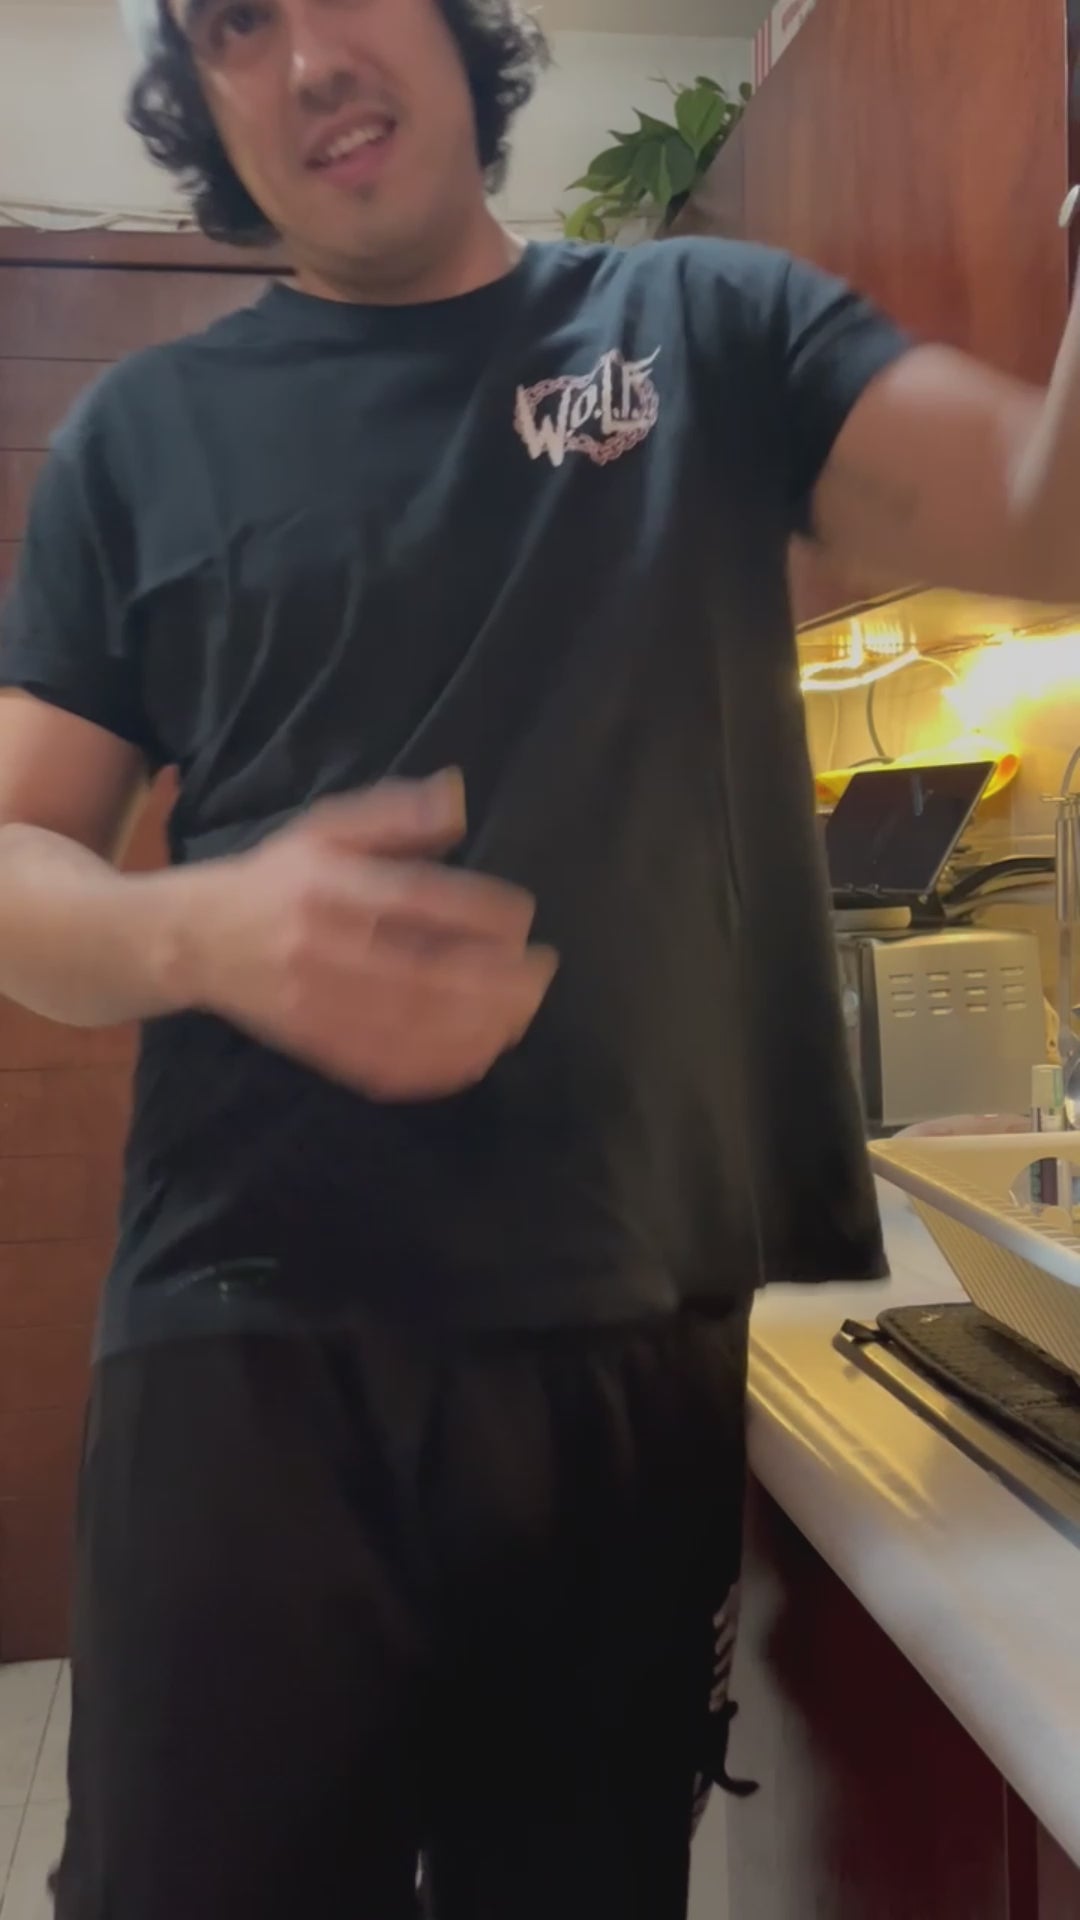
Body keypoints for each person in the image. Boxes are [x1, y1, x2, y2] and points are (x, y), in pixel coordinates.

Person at [1, 0, 1077, 1913]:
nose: (309, 60)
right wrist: (203, 927)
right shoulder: (139, 441)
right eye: (237, 24)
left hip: (619, 1357)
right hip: (248, 1355)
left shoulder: (705, 333)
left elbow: (1042, 508)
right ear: (202, 93)